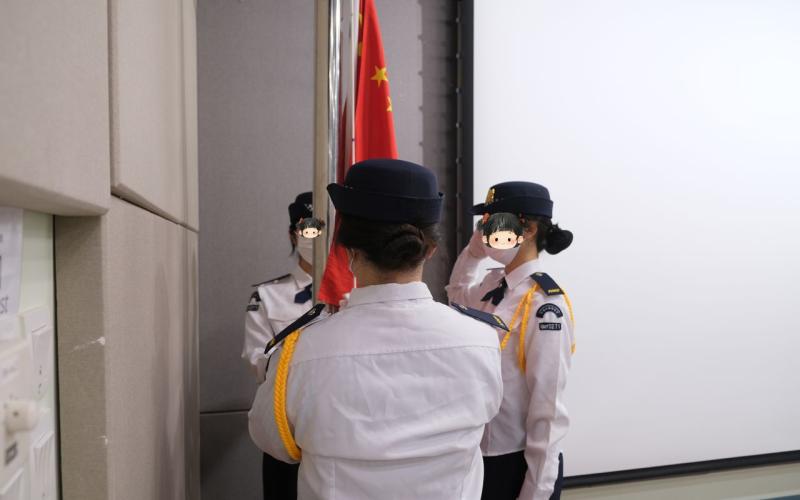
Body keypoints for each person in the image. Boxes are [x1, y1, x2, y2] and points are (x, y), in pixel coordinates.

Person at [248, 159, 504, 499]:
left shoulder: (299, 352)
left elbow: (274, 442)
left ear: (346, 251)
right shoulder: (483, 341)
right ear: (430, 249)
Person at [446, 182, 575, 500]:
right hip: (479, 455)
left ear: (528, 229)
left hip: (516, 462)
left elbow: (548, 409)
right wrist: (472, 253)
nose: (485, 232)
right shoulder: (493, 284)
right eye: (484, 224)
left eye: (494, 223)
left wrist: (536, 491)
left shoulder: (544, 305)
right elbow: (456, 296)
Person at [243, 191, 315, 500]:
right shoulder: (268, 296)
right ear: (293, 234)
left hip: (341, 426)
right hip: (287, 430)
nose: (317, 237)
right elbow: (258, 361)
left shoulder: (355, 293)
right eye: (309, 229)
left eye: (326, 229)